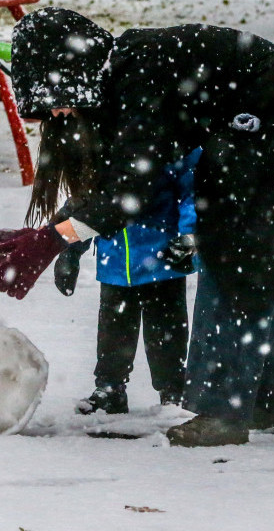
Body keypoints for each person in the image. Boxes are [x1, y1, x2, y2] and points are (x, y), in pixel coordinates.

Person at [0, 7, 274, 447]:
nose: (57, 113)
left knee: (238, 268)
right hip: (270, 155)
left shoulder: (140, 76)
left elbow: (134, 186)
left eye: (55, 98)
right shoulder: (125, 76)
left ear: (74, 72)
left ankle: (222, 414)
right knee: (251, 272)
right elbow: (123, 182)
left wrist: (54, 240)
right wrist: (43, 235)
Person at [56, 147, 201, 416]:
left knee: (166, 330)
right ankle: (110, 387)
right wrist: (71, 249)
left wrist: (188, 235)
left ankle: (173, 391)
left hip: (163, 256)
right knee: (114, 328)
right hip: (116, 259)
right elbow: (89, 203)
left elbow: (190, 191)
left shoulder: (172, 140)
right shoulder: (105, 140)